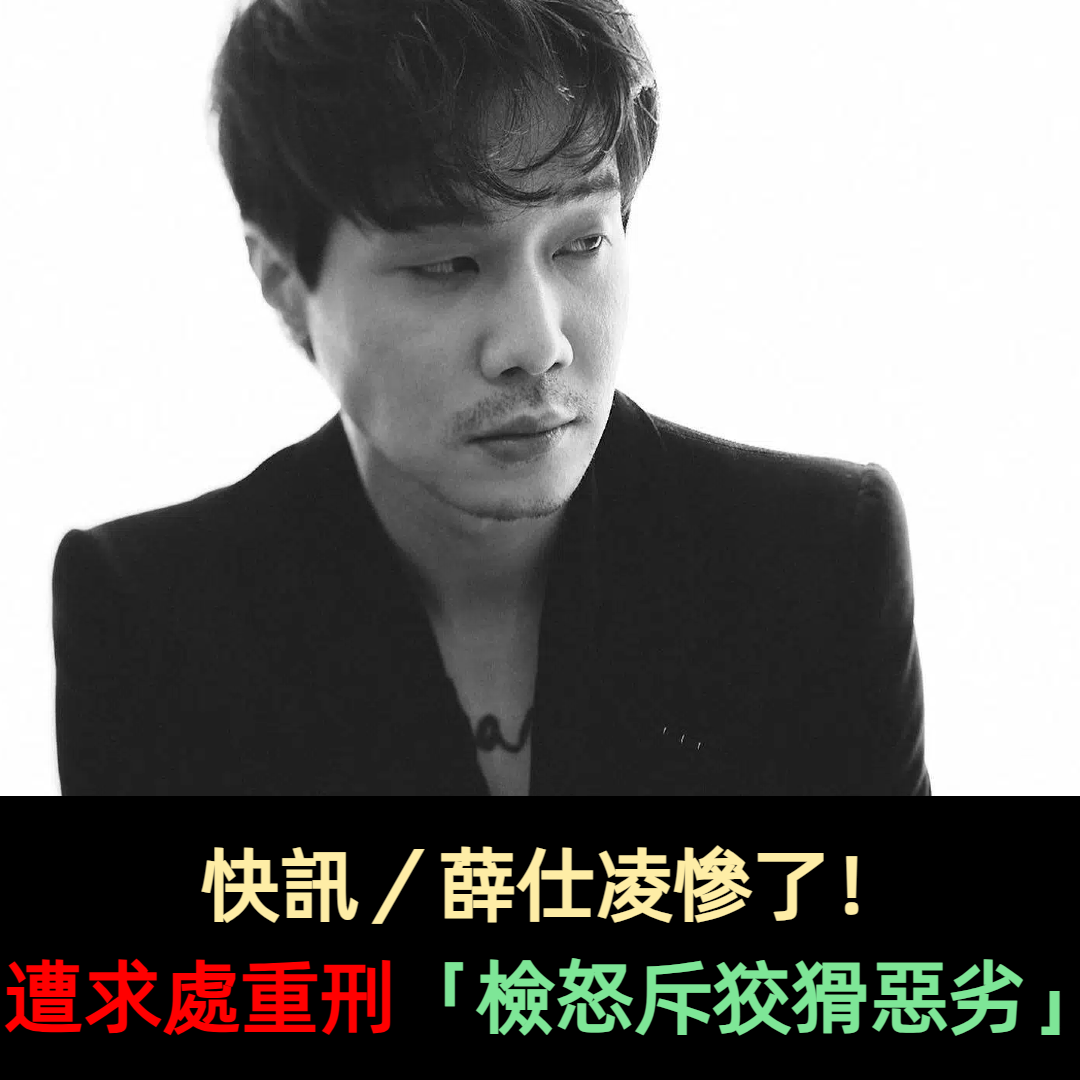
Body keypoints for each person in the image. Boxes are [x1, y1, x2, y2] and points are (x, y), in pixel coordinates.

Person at [53, 0, 929, 796]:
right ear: (284, 282)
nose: (537, 345)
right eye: (447, 265)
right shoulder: (154, 618)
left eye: (581, 243)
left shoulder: (814, 559)